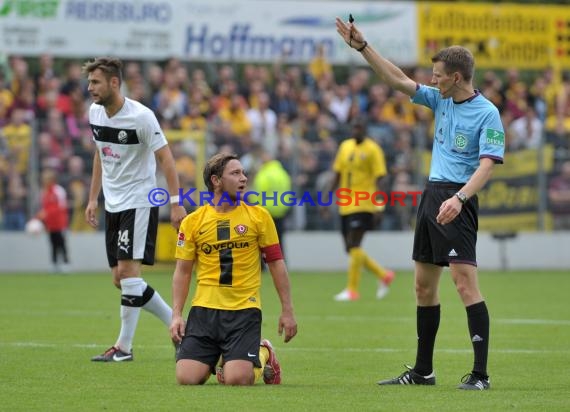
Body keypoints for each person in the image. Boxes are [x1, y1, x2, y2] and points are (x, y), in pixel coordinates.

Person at [336, 17, 505, 390]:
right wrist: (363, 47)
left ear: (458, 77)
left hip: (459, 198)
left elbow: (488, 164)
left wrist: (461, 199)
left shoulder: (487, 113)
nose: (433, 80)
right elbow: (397, 80)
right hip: (432, 196)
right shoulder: (440, 100)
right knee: (422, 288)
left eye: (439, 75)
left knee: (464, 285)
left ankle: (480, 375)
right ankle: (423, 372)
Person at [83, 57, 187, 362]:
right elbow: (100, 155)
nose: (90, 89)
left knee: (129, 274)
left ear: (114, 83)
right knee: (121, 279)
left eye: (96, 82)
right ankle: (169, 331)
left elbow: (167, 160)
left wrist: (176, 202)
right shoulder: (95, 113)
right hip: (113, 204)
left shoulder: (142, 117)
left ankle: (132, 344)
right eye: (89, 83)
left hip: (140, 201)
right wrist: (93, 198)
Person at [170, 152, 297, 385]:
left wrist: (287, 310)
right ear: (217, 181)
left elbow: (277, 263)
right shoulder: (193, 222)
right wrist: (176, 314)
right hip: (204, 311)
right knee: (186, 378)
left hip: (243, 311)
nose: (244, 178)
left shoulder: (259, 216)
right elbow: (183, 271)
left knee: (237, 380)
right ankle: (225, 356)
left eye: (244, 173)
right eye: (235, 173)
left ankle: (264, 352)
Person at [330, 115, 395, 301]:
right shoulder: (345, 146)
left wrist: (379, 206)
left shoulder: (373, 150)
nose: (356, 131)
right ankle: (384, 275)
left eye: (359, 128)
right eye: (354, 128)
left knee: (354, 244)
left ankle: (352, 290)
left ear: (365, 130)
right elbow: (337, 173)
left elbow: (381, 179)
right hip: (345, 204)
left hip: (364, 203)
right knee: (350, 248)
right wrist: (325, 198)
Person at [251, 149, 292, 258]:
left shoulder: (264, 174)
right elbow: (288, 191)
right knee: (278, 240)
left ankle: (262, 265)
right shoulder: (282, 173)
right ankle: (281, 262)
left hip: (266, 210)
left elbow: (258, 193)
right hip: (281, 211)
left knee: (260, 240)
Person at [37, 168, 70, 273]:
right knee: (52, 243)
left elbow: (61, 207)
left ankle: (66, 263)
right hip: (50, 224)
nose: (44, 181)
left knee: (61, 243)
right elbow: (44, 207)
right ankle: (54, 264)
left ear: (52, 179)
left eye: (46, 179)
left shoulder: (58, 190)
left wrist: (47, 213)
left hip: (60, 223)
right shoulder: (44, 192)